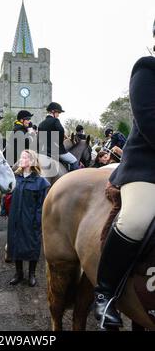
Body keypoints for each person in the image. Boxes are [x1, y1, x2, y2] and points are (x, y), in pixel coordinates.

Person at [94, 55, 155, 329]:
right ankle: (105, 293)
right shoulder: (147, 68)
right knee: (136, 218)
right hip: (147, 166)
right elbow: (148, 118)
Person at [7, 150, 50, 287]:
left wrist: (37, 221)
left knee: (32, 245)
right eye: (21, 157)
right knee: (16, 243)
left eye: (24, 157)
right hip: (15, 218)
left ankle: (32, 274)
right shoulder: (15, 178)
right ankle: (18, 273)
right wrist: (5, 210)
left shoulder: (40, 182)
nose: (21, 159)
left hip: (31, 219)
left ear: (31, 161)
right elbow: (7, 196)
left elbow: (41, 204)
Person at [38, 102, 79, 171]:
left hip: (42, 151)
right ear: (53, 111)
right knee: (74, 161)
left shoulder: (41, 124)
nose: (58, 115)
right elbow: (61, 131)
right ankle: (72, 179)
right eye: (58, 113)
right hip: (55, 151)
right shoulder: (55, 121)